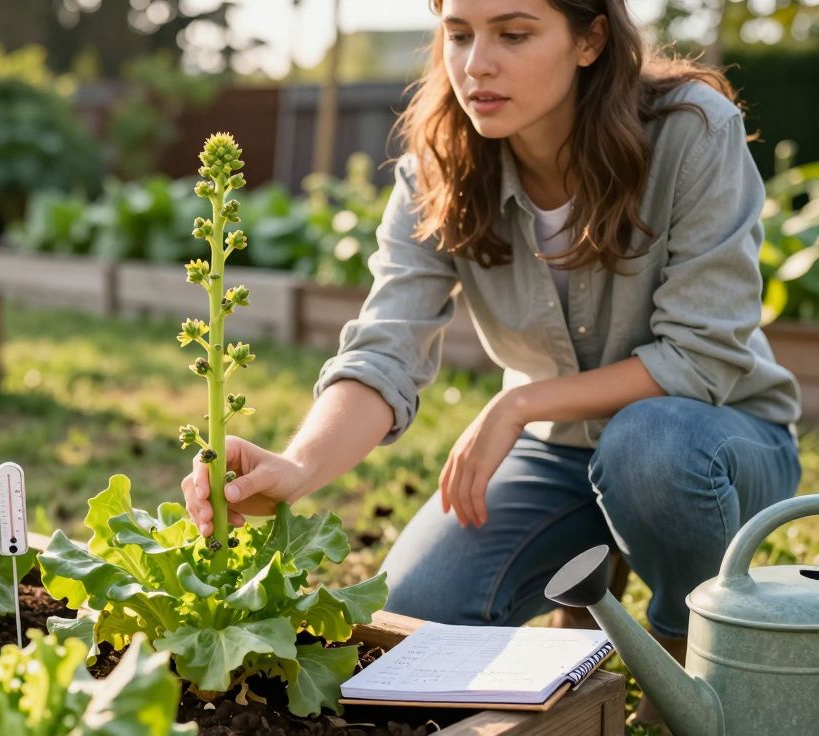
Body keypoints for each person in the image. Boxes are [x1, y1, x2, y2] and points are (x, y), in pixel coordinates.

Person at [180, 0, 803, 726]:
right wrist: (297, 468)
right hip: (559, 457)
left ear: (590, 37)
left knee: (649, 450)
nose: (477, 64)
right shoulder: (440, 165)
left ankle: (686, 650)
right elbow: (386, 346)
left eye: (513, 34)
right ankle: (595, 588)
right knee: (419, 621)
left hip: (714, 445)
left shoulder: (692, 133)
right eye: (458, 34)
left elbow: (700, 356)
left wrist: (516, 403)